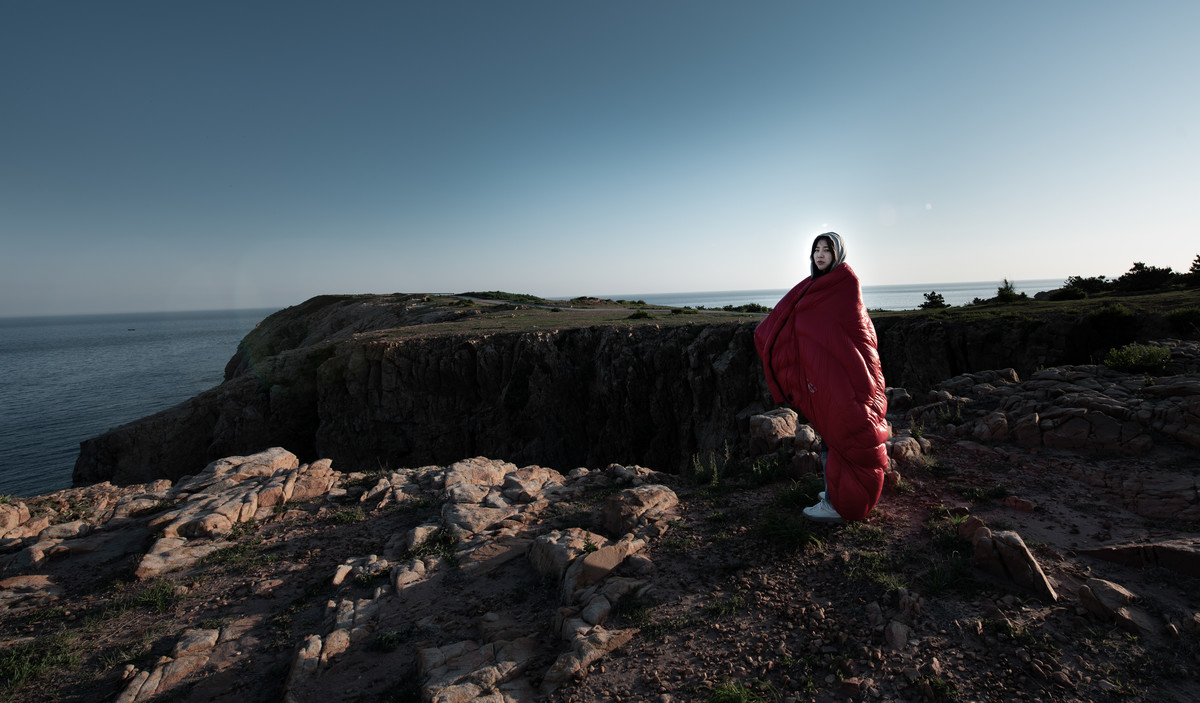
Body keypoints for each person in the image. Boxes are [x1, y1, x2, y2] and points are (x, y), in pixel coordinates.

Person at [753, 232, 889, 523]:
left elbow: (852, 335)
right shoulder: (813, 286)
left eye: (827, 249)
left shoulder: (845, 284)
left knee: (839, 435)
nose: (820, 254)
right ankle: (832, 493)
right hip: (829, 378)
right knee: (831, 436)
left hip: (848, 378)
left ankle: (837, 503)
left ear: (838, 253)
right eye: (816, 249)